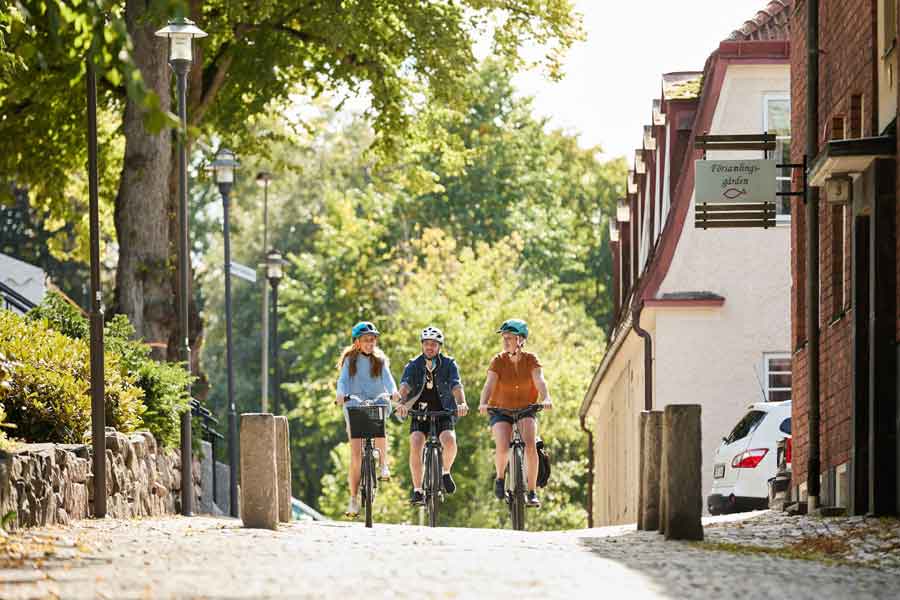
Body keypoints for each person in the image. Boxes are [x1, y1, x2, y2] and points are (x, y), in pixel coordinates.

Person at [478, 319, 552, 508]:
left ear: (520, 340)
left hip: (526, 408)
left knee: (530, 445)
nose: (505, 342)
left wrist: (546, 398)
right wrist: (483, 403)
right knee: (502, 445)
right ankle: (501, 478)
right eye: (504, 338)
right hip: (501, 410)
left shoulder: (531, 360)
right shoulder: (498, 360)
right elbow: (489, 384)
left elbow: (540, 381)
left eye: (509, 338)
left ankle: (532, 491)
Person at [395, 326, 468, 506]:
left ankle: (445, 472)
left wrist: (461, 403)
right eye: (427, 344)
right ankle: (418, 490)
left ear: (439, 347)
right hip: (420, 411)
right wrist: (401, 404)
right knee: (416, 442)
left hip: (444, 410)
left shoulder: (449, 364)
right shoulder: (413, 364)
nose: (430, 347)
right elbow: (404, 386)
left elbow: (456, 386)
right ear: (422, 345)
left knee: (449, 440)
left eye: (434, 344)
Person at [335, 321, 400, 517]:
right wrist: (340, 394)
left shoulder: (380, 361)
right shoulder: (350, 360)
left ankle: (383, 465)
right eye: (366, 340)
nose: (370, 344)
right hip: (354, 405)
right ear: (357, 342)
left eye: (372, 340)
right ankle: (353, 499)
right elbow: (343, 381)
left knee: (379, 428)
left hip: (377, 401)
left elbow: (388, 380)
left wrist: (394, 392)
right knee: (355, 455)